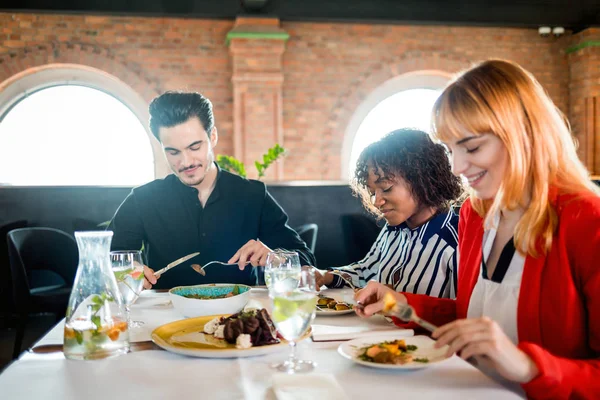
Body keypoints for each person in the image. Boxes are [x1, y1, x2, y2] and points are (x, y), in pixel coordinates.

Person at [354, 59, 600, 398]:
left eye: (471, 147)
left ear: (523, 134)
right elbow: (474, 317)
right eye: (451, 149)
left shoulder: (587, 220)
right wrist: (402, 303)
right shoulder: (477, 212)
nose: (456, 167)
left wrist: (527, 365)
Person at [108, 91, 315, 289]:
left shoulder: (252, 195)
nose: (186, 161)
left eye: (194, 147)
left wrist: (274, 257)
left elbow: (305, 258)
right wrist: (126, 271)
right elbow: (106, 260)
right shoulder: (142, 199)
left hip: (240, 319)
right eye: (173, 152)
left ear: (213, 136)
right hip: (165, 319)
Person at [314, 128, 463, 299]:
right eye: (372, 192)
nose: (377, 202)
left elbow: (461, 315)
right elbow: (366, 271)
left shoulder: (456, 241)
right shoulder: (393, 229)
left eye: (386, 188)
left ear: (423, 180)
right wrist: (326, 275)